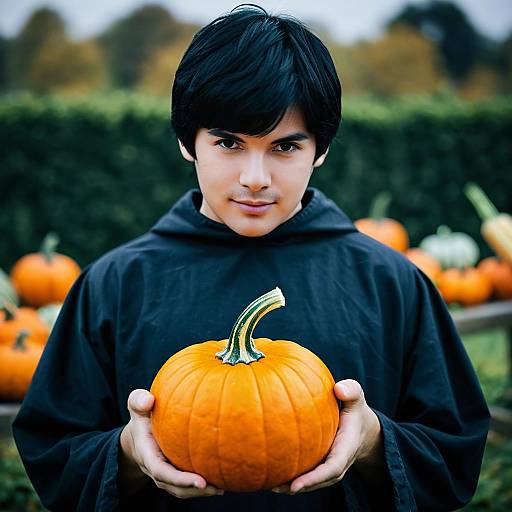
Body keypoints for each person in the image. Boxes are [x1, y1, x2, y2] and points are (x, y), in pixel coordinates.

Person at [12, 4, 490, 511]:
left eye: (285, 147)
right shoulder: (114, 284)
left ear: (320, 149)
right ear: (187, 143)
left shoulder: (393, 283)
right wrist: (127, 452)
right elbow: (53, 453)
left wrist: (373, 441)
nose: (255, 177)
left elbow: (454, 454)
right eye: (228, 143)